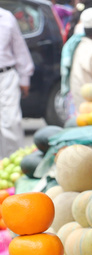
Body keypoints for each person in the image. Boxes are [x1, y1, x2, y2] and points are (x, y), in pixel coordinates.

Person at [0, 6, 33, 157]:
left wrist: (24, 77)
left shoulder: (6, 17)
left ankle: (15, 163)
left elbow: (19, 47)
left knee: (11, 123)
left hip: (6, 77)